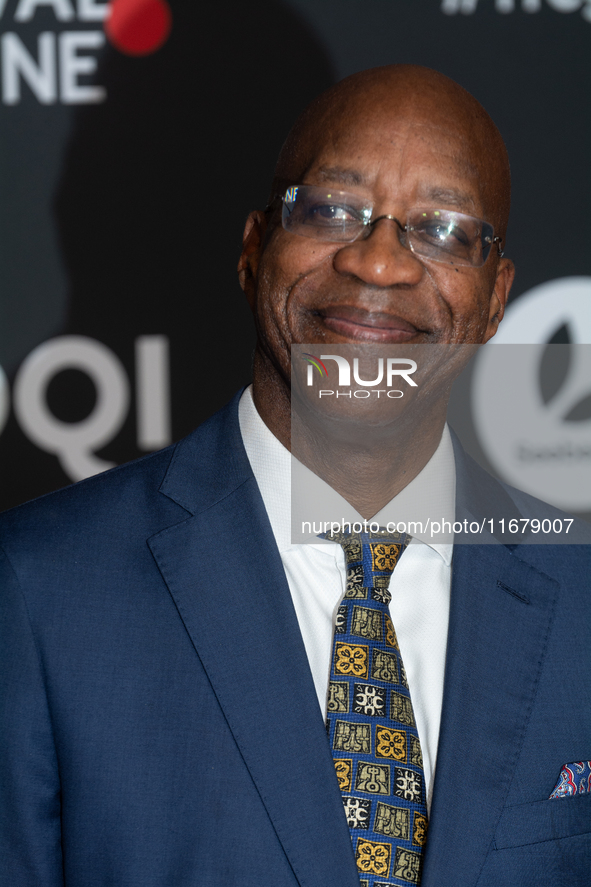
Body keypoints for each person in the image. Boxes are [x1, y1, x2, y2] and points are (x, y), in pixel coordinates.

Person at [1, 65, 589, 887]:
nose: (379, 262)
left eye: (443, 228)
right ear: (252, 249)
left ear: (494, 301)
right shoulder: (37, 588)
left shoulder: (579, 593)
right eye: (332, 209)